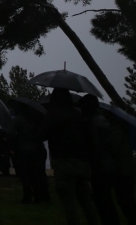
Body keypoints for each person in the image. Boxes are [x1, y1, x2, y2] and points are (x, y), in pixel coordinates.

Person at [39, 88, 99, 225]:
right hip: (82, 160)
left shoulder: (53, 114)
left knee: (68, 199)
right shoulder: (77, 114)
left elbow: (41, 135)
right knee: (85, 199)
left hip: (63, 160)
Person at [78, 95, 118, 225]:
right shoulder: (103, 119)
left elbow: (94, 145)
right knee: (107, 199)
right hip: (108, 162)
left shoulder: (92, 122)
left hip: (99, 165)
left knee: (102, 200)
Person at [11, 111, 50, 204]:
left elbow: (11, 133)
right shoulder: (37, 120)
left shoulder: (18, 119)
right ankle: (38, 196)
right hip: (36, 149)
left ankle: (27, 196)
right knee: (36, 174)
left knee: (25, 175)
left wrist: (12, 146)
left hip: (22, 150)